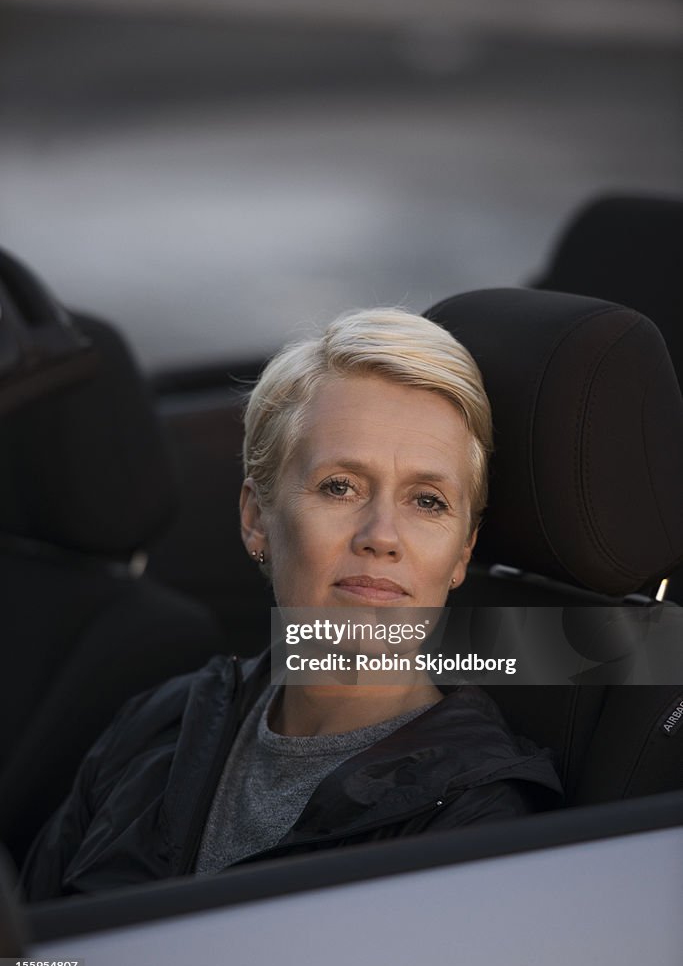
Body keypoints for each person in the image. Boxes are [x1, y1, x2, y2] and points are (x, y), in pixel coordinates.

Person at [22, 308, 562, 901]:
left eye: (427, 501)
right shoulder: (161, 724)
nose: (381, 535)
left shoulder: (477, 822)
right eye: (340, 486)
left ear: (463, 552)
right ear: (257, 518)